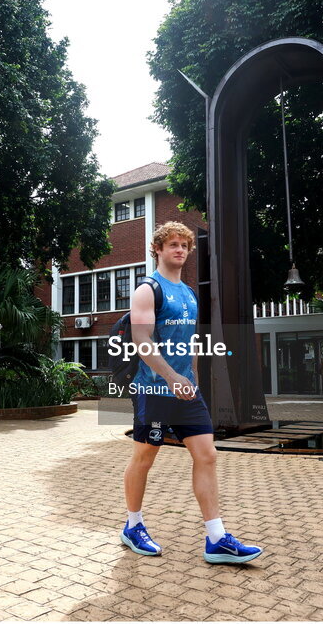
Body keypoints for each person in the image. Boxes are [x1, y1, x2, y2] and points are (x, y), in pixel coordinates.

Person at [121, 221, 263, 564]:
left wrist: (193, 379)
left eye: (184, 245)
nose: (180, 250)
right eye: (172, 244)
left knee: (207, 455)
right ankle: (133, 525)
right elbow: (141, 341)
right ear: (158, 248)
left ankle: (216, 539)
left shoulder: (189, 294)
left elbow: (191, 345)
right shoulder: (147, 289)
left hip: (187, 391)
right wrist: (170, 377)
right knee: (144, 457)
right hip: (154, 389)